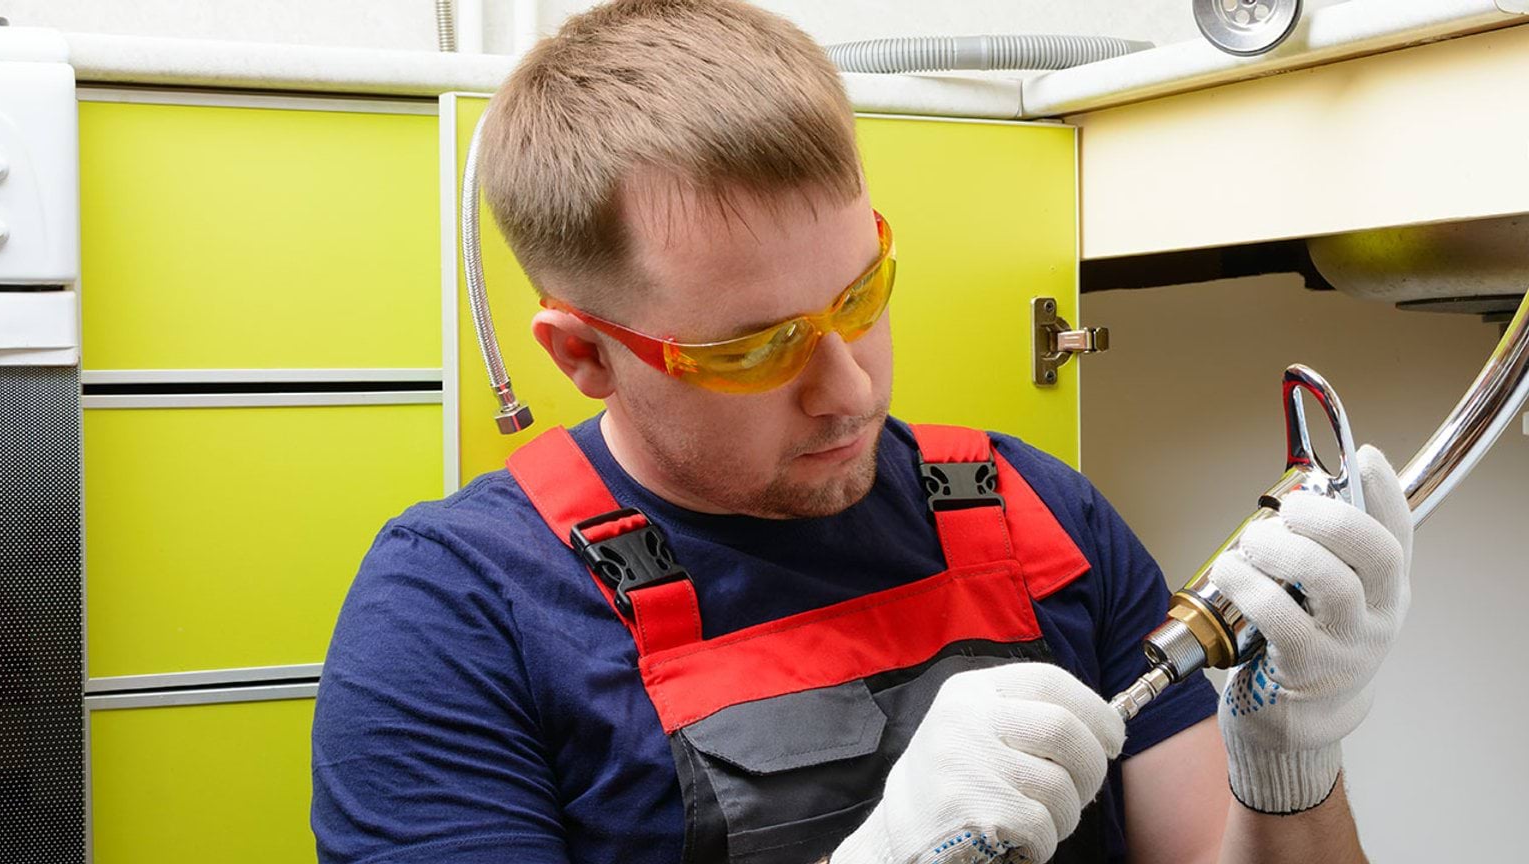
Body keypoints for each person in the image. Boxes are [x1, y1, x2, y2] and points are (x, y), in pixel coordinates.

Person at [310, 2, 1412, 862]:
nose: (847, 391)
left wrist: (1288, 766)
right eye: (752, 349)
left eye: (860, 295)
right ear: (584, 356)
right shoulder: (456, 616)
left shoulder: (1035, 513)